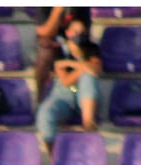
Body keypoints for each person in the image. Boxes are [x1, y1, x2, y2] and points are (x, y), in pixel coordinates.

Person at [35, 11, 102, 155]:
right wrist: (83, 66)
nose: (79, 34)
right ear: (68, 32)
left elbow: (96, 69)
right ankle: (54, 154)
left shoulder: (92, 48)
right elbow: (65, 81)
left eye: (82, 31)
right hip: (64, 96)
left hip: (84, 98)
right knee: (45, 113)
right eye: (76, 31)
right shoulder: (59, 50)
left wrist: (73, 65)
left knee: (88, 79)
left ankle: (88, 124)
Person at [32, 7, 90, 102]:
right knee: (45, 53)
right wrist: (58, 9)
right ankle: (40, 99)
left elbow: (83, 31)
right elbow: (44, 32)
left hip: (73, 46)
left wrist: (70, 41)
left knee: (85, 59)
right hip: (52, 49)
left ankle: (78, 99)